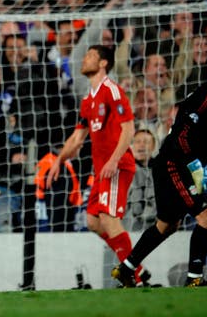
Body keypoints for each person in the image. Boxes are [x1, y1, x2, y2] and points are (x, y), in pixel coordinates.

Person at [112, 51, 207, 288]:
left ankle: (126, 269)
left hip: (174, 164)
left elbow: (196, 139)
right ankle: (194, 280)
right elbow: (181, 135)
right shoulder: (206, 98)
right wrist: (195, 167)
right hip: (173, 164)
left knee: (168, 224)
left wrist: (201, 166)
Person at [47, 45, 148, 285]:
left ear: (103, 63)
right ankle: (138, 267)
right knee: (93, 221)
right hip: (102, 169)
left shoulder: (112, 90)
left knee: (108, 217)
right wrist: (58, 160)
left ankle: (132, 276)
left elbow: (129, 129)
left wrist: (113, 160)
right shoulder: (87, 100)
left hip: (117, 165)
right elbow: (77, 138)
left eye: (90, 55)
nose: (85, 59)